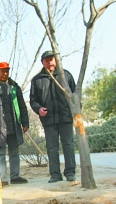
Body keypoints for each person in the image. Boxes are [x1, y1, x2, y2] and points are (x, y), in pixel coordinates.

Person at [29, 51, 77, 183]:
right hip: (49, 119)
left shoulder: (65, 75)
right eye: (46, 60)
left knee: (68, 145)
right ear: (42, 63)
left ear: (56, 60)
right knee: (52, 147)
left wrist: (76, 111)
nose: (49, 62)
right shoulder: (37, 80)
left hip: (65, 116)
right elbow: (33, 100)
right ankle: (55, 174)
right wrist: (39, 109)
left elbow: (75, 95)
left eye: (51, 59)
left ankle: (70, 173)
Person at [0, 62, 29, 187]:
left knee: (14, 152)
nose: (5, 73)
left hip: (13, 125)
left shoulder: (15, 87)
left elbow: (22, 105)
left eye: (7, 71)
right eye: (2, 71)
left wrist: (25, 122)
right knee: (0, 153)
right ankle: (2, 179)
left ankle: (15, 176)